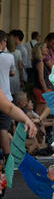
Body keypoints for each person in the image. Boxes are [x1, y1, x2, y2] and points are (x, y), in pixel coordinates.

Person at [0, 30, 16, 163]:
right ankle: (7, 157)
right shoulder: (9, 57)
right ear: (2, 42)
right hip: (5, 97)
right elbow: (12, 72)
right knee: (3, 129)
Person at [31, 43, 52, 115]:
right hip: (41, 90)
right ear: (39, 50)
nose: (47, 49)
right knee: (39, 113)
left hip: (39, 89)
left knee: (41, 113)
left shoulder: (38, 60)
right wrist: (46, 91)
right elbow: (41, 79)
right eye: (44, 48)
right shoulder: (39, 62)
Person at [7, 33, 24, 100]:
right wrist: (21, 80)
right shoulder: (18, 52)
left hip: (7, 77)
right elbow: (20, 68)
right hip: (16, 77)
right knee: (15, 97)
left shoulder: (4, 53)